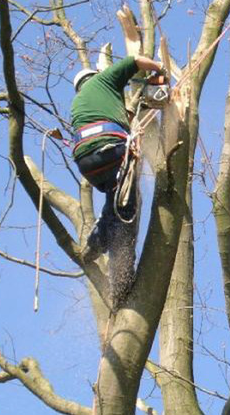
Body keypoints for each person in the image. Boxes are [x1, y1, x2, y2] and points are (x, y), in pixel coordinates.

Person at [70, 55, 166, 305]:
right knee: (127, 211)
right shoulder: (104, 79)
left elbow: (115, 118)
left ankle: (97, 240)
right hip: (111, 152)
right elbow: (135, 60)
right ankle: (121, 280)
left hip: (88, 164)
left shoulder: (79, 103)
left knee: (115, 202)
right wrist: (160, 69)